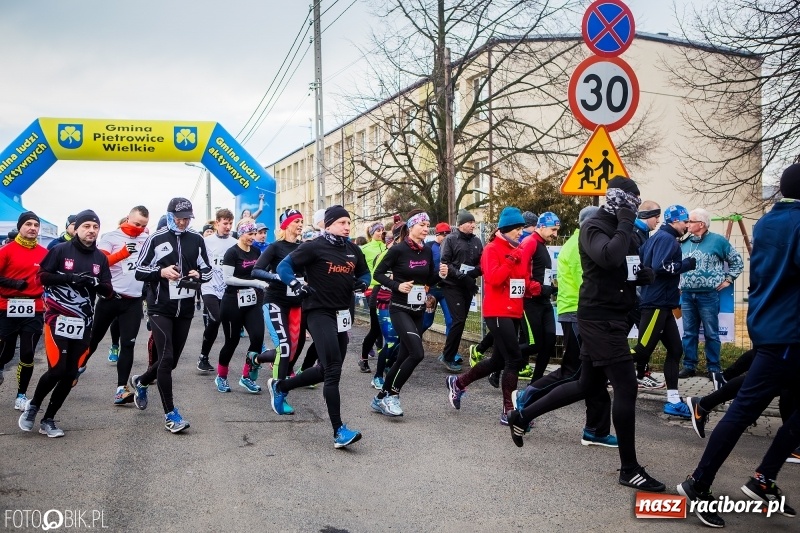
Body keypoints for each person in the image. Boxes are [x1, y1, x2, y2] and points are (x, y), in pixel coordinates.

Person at [506, 176, 666, 492]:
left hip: (615, 316)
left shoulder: (627, 231)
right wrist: (623, 223)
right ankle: (629, 468)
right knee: (626, 386)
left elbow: (625, 267)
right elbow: (608, 255)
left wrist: (643, 276)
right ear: (622, 201)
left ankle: (522, 416)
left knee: (586, 383)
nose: (635, 209)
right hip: (598, 318)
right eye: (631, 202)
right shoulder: (595, 227)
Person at [677, 164, 800, 528]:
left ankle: (762, 479)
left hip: (773, 326)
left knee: (754, 404)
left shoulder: (768, 221)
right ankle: (699, 483)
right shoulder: (796, 223)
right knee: (745, 408)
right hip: (789, 332)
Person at [512, 206, 618, 446]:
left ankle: (595, 429)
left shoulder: (577, 241)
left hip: (576, 311)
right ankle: (527, 400)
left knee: (584, 374)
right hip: (578, 312)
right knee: (577, 373)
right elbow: (589, 281)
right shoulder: (582, 244)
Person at [267, 205, 370, 449]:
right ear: (328, 223)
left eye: (349, 222)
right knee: (334, 370)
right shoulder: (313, 246)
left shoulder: (353, 249)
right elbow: (283, 267)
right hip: (318, 311)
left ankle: (281, 386)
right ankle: (339, 431)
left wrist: (361, 283)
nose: (347, 226)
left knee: (325, 370)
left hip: (342, 314)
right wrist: (295, 284)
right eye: (342, 222)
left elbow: (365, 273)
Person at [18, 210, 113, 437]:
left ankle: (48, 420)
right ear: (76, 228)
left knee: (71, 374)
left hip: (83, 323)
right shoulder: (60, 250)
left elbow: (108, 291)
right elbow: (41, 277)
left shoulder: (100, 258)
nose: (91, 230)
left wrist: (97, 285)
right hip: (57, 319)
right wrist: (70, 277)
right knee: (57, 370)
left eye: (95, 227)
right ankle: (33, 406)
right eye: (87, 226)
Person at [130, 198, 211, 433]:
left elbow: (207, 268)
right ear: (169, 216)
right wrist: (161, 271)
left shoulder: (196, 239)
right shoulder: (156, 238)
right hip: (160, 307)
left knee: (172, 362)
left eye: (187, 218)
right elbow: (139, 271)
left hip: (185, 308)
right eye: (180, 218)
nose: (184, 222)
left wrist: (199, 274)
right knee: (165, 358)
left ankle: (142, 381)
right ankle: (170, 415)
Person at [445, 207, 533, 424]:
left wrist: (534, 287)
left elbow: (521, 279)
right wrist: (512, 259)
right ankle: (509, 411)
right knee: (514, 359)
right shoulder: (492, 249)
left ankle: (458, 383)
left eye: (522, 229)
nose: (520, 233)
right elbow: (493, 279)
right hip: (496, 311)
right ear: (507, 228)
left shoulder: (519, 249)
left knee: (497, 361)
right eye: (517, 229)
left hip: (514, 310)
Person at [370, 209, 439, 417]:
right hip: (400, 309)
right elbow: (378, 274)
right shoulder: (398, 250)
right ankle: (393, 395)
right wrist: (397, 286)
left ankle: (380, 398)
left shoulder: (426, 251)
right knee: (417, 353)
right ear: (411, 227)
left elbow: (429, 278)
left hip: (417, 309)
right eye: (422, 225)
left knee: (403, 357)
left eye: (428, 226)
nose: (426, 229)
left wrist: (438, 278)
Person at [631, 205, 697, 418]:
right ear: (674, 221)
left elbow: (643, 262)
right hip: (656, 304)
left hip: (664, 303)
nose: (687, 225)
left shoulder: (655, 238)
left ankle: (673, 399)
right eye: (685, 221)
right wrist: (686, 264)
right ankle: (597, 365)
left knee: (676, 350)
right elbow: (661, 267)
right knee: (642, 350)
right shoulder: (667, 239)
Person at [81, 205, 150, 404]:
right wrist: (122, 254)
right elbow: (99, 265)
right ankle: (77, 368)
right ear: (128, 218)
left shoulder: (146, 239)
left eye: (143, 225)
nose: (139, 228)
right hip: (110, 298)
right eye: (136, 224)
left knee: (128, 344)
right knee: (93, 339)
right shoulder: (111, 237)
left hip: (133, 301)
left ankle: (121, 389)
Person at [678, 207, 744, 379]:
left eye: (690, 221)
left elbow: (737, 261)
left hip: (708, 295)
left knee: (711, 333)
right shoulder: (683, 241)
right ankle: (689, 366)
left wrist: (728, 279)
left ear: (701, 224)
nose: (687, 224)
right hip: (686, 294)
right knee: (689, 333)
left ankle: (713, 367)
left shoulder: (718, 241)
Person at [251, 209, 307, 402]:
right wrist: (277, 276)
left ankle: (255, 359)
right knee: (283, 347)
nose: (300, 224)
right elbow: (256, 270)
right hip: (275, 300)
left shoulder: (304, 247)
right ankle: (279, 392)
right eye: (296, 221)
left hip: (296, 304)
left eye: (301, 221)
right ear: (286, 225)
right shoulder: (275, 247)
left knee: (291, 349)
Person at [0, 211, 48, 410]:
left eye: (36, 225)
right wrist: (14, 283)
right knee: (5, 353)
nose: (32, 228)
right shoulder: (6, 251)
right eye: (28, 224)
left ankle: (21, 395)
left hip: (34, 308)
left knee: (27, 353)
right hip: (6, 307)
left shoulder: (45, 253)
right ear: (20, 227)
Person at [214, 220, 266, 394]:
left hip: (253, 301)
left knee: (258, 338)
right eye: (249, 234)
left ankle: (246, 377)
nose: (253, 237)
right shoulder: (232, 253)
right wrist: (253, 282)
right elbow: (228, 279)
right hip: (232, 302)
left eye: (254, 234)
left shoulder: (257, 251)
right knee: (232, 341)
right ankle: (221, 376)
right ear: (241, 233)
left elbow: (259, 272)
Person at [439, 209, 483, 372]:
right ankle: (448, 356)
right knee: (457, 320)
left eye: (474, 223)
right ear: (461, 224)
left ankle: (449, 353)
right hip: (452, 285)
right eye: (470, 222)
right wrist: (461, 276)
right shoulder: (450, 239)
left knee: (461, 321)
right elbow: (445, 263)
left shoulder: (477, 241)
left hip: (468, 285)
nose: (473, 225)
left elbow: (482, 262)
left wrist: (473, 274)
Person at [197, 209, 236, 372]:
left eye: (230, 223)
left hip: (227, 289)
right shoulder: (207, 242)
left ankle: (219, 360)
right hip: (209, 286)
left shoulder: (234, 243)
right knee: (216, 318)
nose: (228, 227)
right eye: (225, 223)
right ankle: (203, 357)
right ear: (217, 223)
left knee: (228, 324)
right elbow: (197, 261)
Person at [359, 221, 387, 373]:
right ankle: (363, 358)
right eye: (378, 230)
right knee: (376, 328)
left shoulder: (387, 247)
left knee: (385, 328)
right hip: (372, 289)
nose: (381, 232)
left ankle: (386, 362)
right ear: (371, 233)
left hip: (388, 289)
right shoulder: (364, 249)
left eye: (383, 230)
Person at [425, 222, 453, 337]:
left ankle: (451, 353)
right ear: (437, 234)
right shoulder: (428, 247)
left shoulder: (452, 247)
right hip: (431, 290)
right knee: (427, 322)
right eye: (444, 235)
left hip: (446, 289)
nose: (446, 237)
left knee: (451, 321)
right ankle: (408, 345)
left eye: (448, 235)